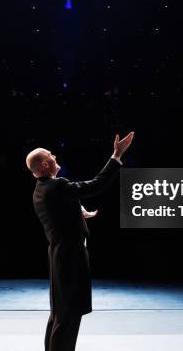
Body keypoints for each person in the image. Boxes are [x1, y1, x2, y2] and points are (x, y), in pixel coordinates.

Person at [26, 132, 135, 351]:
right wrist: (116, 155)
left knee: (59, 315)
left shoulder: (41, 190)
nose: (55, 156)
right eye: (51, 155)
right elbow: (96, 185)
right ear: (46, 164)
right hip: (70, 259)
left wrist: (78, 212)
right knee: (68, 316)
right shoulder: (57, 186)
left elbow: (59, 211)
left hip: (60, 257)